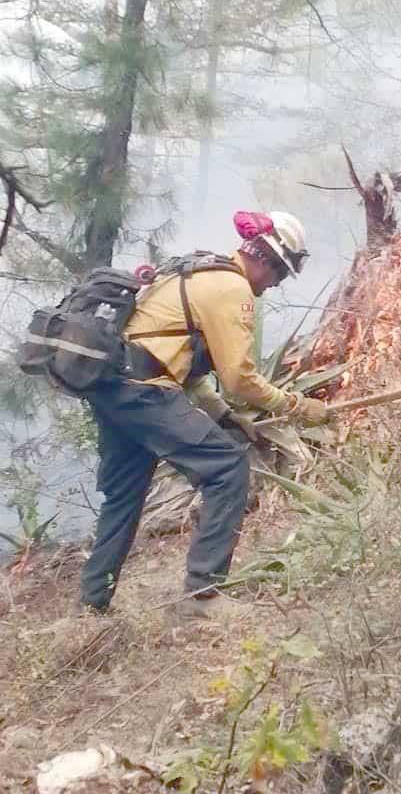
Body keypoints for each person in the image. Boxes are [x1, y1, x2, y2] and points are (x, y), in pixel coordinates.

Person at [79, 209, 328, 617]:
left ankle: (91, 604)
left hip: (115, 389)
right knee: (228, 468)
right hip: (145, 392)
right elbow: (239, 379)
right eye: (281, 273)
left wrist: (228, 419)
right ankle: (203, 595)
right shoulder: (232, 288)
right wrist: (297, 406)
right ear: (265, 259)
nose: (275, 284)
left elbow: (185, 371)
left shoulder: (197, 272)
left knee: (124, 495)